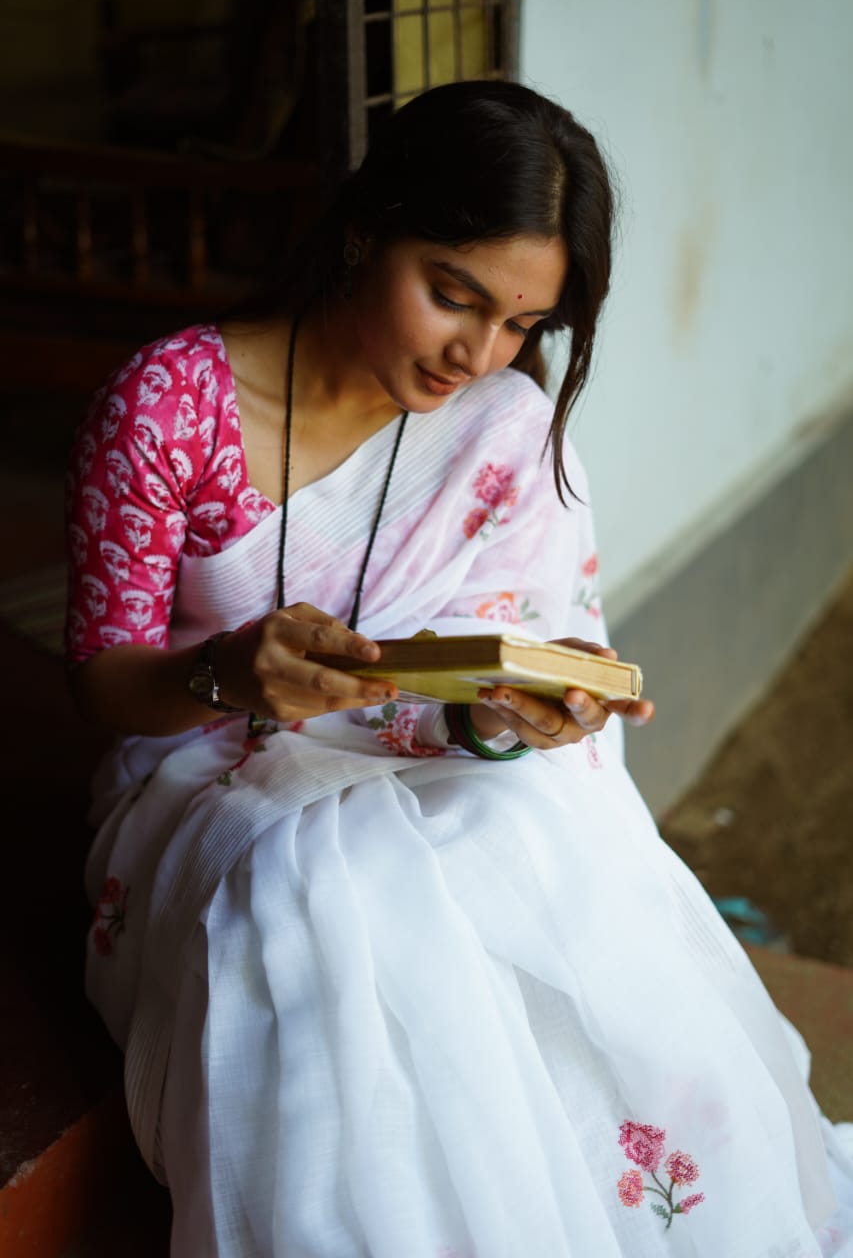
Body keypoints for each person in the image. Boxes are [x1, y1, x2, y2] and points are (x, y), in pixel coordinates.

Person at [65, 80, 853, 1256]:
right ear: (364, 228)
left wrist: (516, 715)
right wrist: (231, 674)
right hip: (206, 768)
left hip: (411, 755)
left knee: (541, 831)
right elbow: (101, 682)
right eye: (453, 295)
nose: (477, 354)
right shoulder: (172, 409)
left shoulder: (499, 421)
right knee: (330, 896)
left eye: (522, 324)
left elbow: (502, 658)